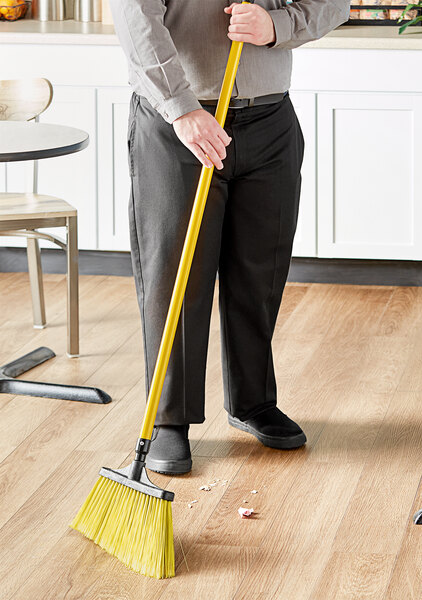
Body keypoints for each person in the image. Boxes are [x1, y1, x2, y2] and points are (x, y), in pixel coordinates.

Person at [110, 0, 350, 474]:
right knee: (177, 278)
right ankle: (169, 420)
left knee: (259, 271)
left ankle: (253, 401)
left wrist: (276, 24)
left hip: (270, 122)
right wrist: (181, 108)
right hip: (178, 125)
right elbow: (136, 19)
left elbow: (333, 3)